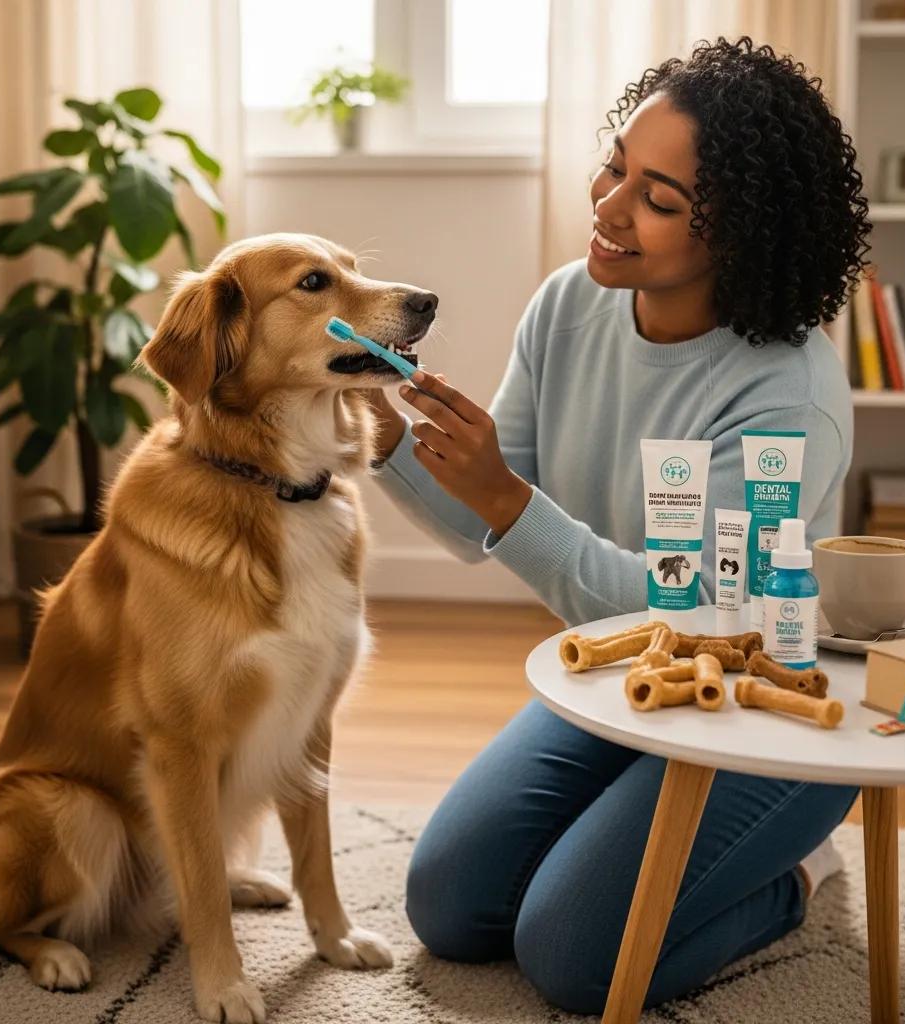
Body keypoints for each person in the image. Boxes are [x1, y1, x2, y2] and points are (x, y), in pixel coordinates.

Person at [364, 36, 870, 1013]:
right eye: (614, 167)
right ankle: (630, 843)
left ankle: (798, 873)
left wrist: (508, 500)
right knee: (450, 906)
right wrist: (381, 436)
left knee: (574, 957)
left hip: (766, 708)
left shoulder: (785, 394)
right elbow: (481, 524)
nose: (607, 208)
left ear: (744, 233)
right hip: (625, 687)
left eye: (658, 199)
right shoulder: (568, 306)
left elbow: (699, 613)